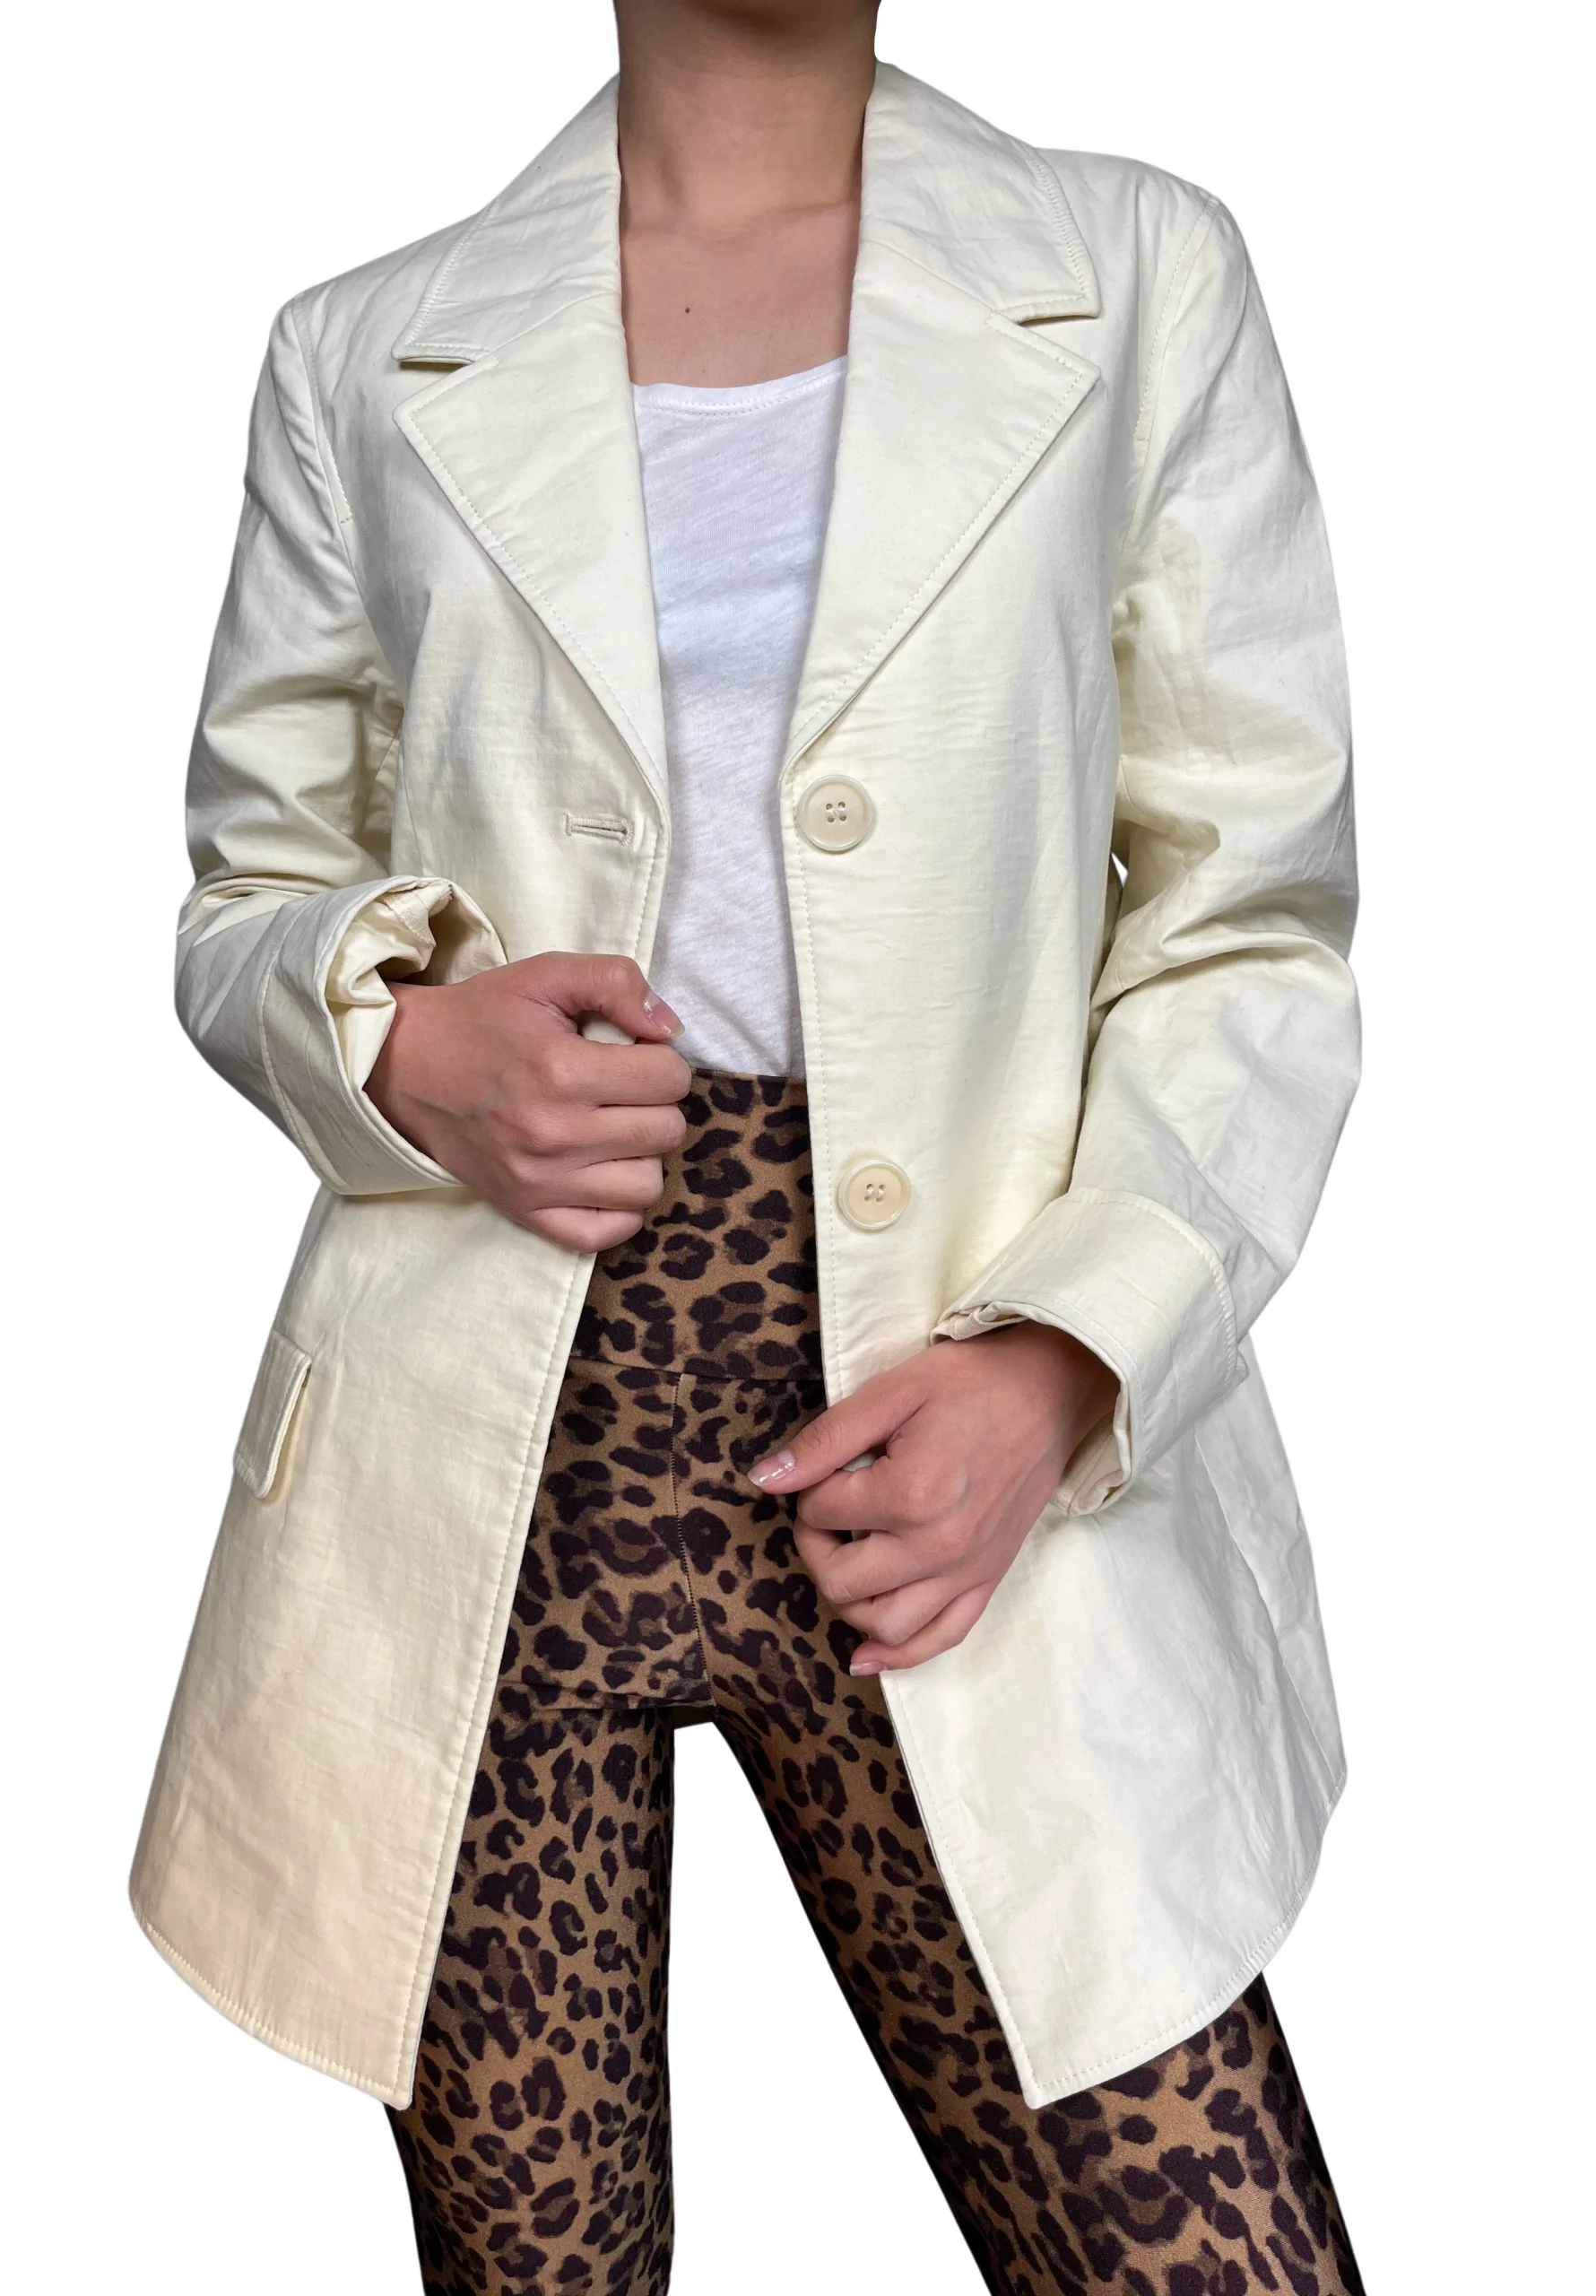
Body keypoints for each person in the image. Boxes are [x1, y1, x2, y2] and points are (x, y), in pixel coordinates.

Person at [132, 3, 1366, 2288]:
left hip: (946, 1434)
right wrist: (400, 1038)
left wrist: (1067, 1360)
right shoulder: (363, 349)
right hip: (487, 1458)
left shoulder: (1134, 269)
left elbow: (1245, 923)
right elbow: (247, 895)